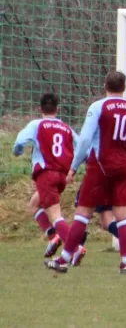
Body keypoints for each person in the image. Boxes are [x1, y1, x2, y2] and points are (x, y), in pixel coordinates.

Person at [45, 71, 126, 274]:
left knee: (83, 213)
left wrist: (73, 167)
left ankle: (64, 260)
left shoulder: (98, 107)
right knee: (122, 214)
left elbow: (84, 139)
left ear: (104, 85)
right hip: (123, 166)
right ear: (124, 87)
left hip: (100, 164)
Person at [13, 93, 86, 264]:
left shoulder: (36, 124)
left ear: (40, 109)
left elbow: (20, 143)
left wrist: (17, 151)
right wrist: (75, 168)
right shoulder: (66, 128)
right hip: (62, 176)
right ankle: (53, 237)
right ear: (57, 109)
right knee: (33, 204)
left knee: (55, 215)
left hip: (47, 174)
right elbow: (82, 145)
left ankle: (75, 248)